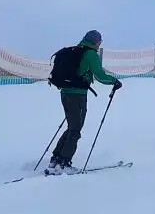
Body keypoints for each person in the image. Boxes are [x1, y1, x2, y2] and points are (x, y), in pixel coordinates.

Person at [46, 30, 122, 174]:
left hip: (66, 92)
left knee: (71, 127)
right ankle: (63, 163)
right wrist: (114, 81)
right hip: (77, 95)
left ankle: (56, 159)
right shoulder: (90, 54)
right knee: (75, 129)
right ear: (95, 41)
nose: (100, 44)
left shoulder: (75, 51)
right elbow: (100, 76)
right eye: (99, 41)